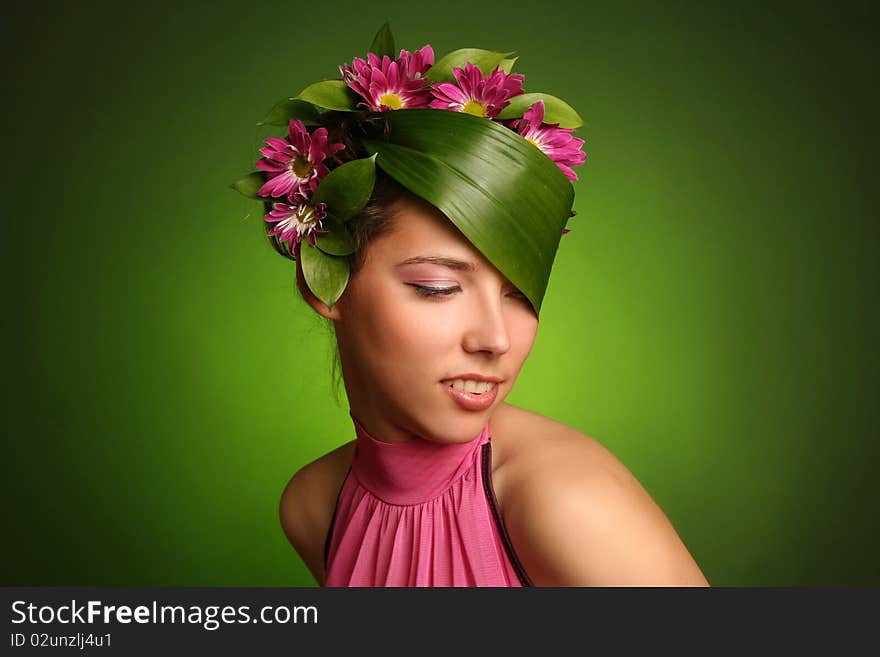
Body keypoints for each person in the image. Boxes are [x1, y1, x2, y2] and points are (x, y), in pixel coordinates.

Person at [236, 25, 709, 586]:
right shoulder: (314, 508)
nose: (496, 338)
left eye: (520, 294)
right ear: (324, 284)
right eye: (439, 286)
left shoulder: (564, 498)